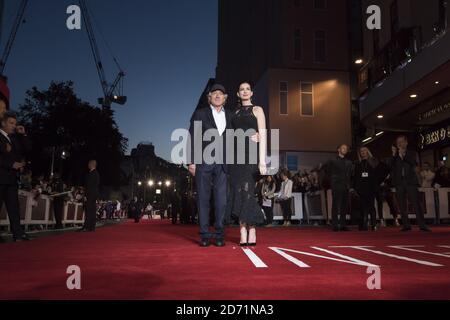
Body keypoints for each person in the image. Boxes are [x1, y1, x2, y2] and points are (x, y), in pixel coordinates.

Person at [188, 84, 234, 247]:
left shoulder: (230, 115)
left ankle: (220, 234)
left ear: (225, 98)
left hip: (223, 164)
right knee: (203, 199)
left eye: (220, 93)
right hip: (203, 162)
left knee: (222, 200)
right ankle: (205, 235)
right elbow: (192, 137)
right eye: (214, 93)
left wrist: (254, 135)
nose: (217, 95)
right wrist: (191, 161)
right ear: (210, 97)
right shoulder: (200, 113)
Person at [229, 82, 267, 246]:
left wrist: (262, 160)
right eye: (241, 89)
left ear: (251, 93)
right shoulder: (234, 113)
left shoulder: (258, 110)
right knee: (238, 191)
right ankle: (242, 229)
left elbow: (263, 135)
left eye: (247, 89)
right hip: (236, 156)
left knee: (248, 190)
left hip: (251, 154)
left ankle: (252, 228)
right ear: (238, 94)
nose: (244, 91)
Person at [0, 112, 30, 241]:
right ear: (3, 123)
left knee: (14, 208)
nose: (14, 126)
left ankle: (18, 235)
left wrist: (23, 134)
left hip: (11, 179)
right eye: (11, 123)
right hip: (0, 177)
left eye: (15, 123)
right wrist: (11, 164)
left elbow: (27, 148)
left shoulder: (14, 138)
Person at [391, 136, 431, 232]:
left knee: (416, 203)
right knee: (402, 204)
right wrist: (395, 155)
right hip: (399, 183)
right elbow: (391, 166)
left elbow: (414, 163)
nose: (400, 144)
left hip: (411, 182)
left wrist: (403, 155)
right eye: (398, 142)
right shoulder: (395, 156)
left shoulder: (412, 153)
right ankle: (406, 225)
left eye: (401, 142)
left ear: (406, 142)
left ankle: (422, 225)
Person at [326, 144, 353, 232]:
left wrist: (350, 186)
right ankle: (335, 224)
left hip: (345, 186)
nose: (345, 149)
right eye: (343, 148)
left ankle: (342, 224)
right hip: (336, 185)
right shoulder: (332, 160)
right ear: (338, 149)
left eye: (346, 148)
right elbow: (328, 172)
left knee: (344, 206)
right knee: (335, 205)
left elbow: (350, 175)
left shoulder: (349, 162)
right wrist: (333, 182)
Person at [353, 147, 379, 231]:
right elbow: (356, 177)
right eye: (361, 151)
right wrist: (355, 188)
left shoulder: (373, 161)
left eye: (364, 151)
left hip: (371, 187)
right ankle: (364, 224)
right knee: (362, 207)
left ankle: (374, 224)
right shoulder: (358, 163)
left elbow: (378, 174)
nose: (363, 152)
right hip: (361, 188)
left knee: (371, 206)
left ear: (368, 152)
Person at [80, 160, 100, 232]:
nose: (88, 165)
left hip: (90, 194)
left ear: (92, 164)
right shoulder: (96, 173)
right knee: (92, 211)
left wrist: (86, 195)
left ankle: (87, 226)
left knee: (88, 210)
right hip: (93, 194)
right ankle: (91, 227)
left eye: (89, 163)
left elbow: (89, 186)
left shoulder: (92, 174)